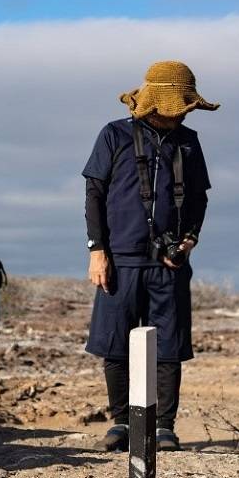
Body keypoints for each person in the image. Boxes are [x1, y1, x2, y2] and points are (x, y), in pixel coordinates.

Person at [82, 61, 219, 452]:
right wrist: (97, 250)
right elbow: (94, 194)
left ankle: (164, 427)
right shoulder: (114, 135)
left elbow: (198, 199)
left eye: (186, 108)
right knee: (113, 342)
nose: (182, 113)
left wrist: (190, 239)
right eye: (177, 106)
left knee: (169, 345)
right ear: (154, 103)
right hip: (119, 258)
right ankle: (121, 423)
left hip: (169, 264)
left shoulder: (189, 142)